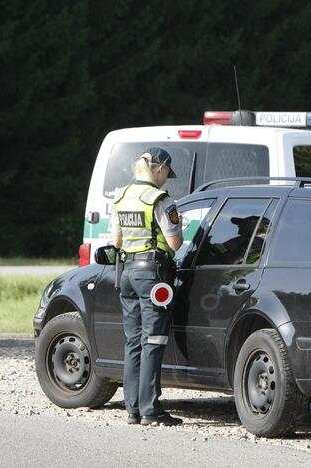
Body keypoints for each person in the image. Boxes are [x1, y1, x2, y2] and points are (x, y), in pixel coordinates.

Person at [111, 147, 184, 426]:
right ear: (160, 168)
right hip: (153, 275)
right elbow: (175, 243)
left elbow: (116, 241)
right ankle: (150, 410)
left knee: (133, 341)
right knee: (153, 341)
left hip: (127, 272)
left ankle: (132, 410)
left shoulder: (121, 196)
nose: (167, 179)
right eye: (167, 173)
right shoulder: (160, 199)